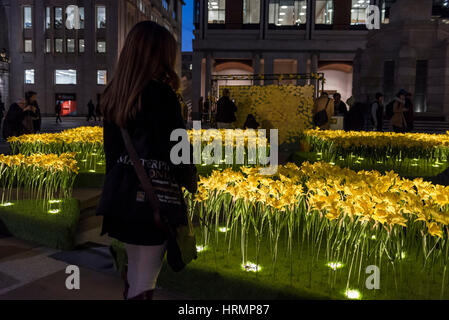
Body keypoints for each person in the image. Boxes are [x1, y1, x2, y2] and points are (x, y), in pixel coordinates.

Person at [96, 21, 198, 300]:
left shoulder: (114, 95)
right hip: (155, 203)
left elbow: (111, 156)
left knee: (135, 272)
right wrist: (192, 182)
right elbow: (179, 154)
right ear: (159, 56)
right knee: (146, 277)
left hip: (123, 200)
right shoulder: (163, 96)